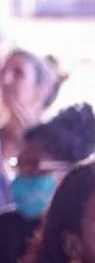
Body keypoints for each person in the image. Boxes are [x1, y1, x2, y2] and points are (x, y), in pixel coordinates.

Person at [0, 104, 95, 263]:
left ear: (71, 171)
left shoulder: (94, 236)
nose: (22, 176)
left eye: (33, 165)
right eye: (18, 165)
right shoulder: (5, 228)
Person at [0, 49, 67, 205]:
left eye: (18, 73)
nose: (5, 80)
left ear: (42, 89)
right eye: (2, 72)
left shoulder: (61, 150)